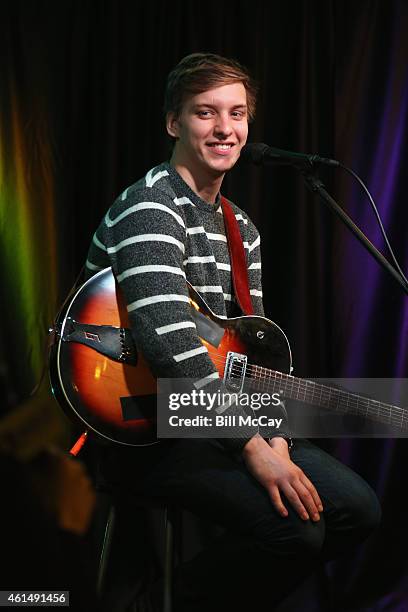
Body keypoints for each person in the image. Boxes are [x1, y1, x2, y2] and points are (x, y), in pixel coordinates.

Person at [85, 53, 381, 611]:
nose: (226, 129)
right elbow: (168, 341)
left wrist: (276, 437)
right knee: (297, 531)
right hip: (142, 423)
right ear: (174, 123)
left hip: (208, 417)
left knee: (357, 509)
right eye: (206, 113)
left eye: (238, 113)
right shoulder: (150, 206)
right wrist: (251, 447)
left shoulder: (239, 227)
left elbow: (249, 357)